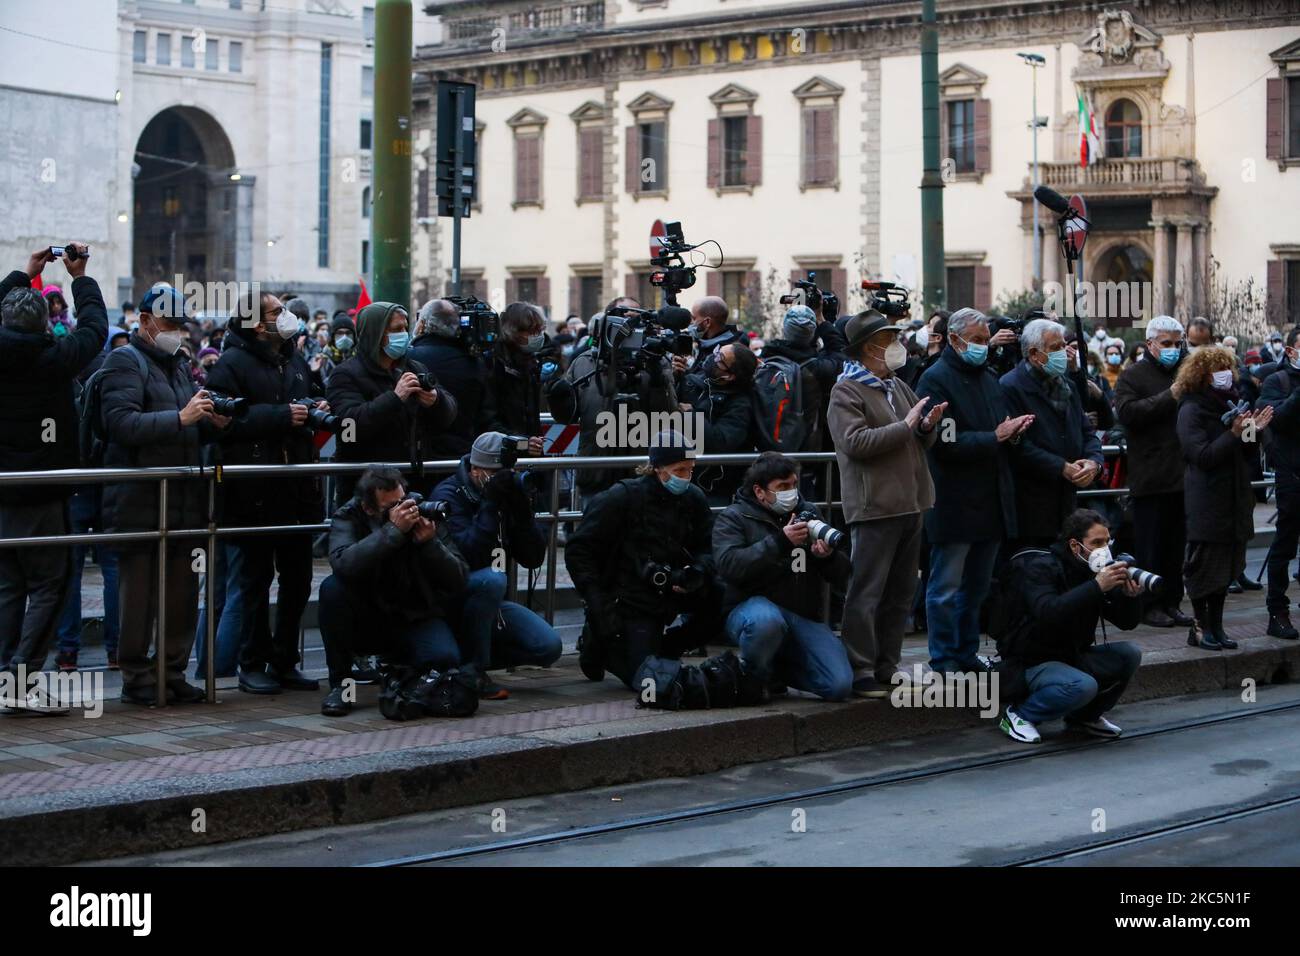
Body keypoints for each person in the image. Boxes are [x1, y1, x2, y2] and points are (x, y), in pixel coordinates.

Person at [102, 284, 231, 705]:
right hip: (139, 500)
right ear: (144, 321)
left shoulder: (178, 364)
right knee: (138, 594)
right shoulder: (125, 360)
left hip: (183, 499)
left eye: (181, 325)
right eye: (170, 324)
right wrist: (180, 417)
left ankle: (172, 670)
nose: (177, 332)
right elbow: (121, 424)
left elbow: (185, 419)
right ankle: (137, 676)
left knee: (181, 589)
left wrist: (209, 419)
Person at [0, 245, 107, 712]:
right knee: (49, 585)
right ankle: (20, 680)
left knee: (7, 586)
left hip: (4, 490)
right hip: (44, 491)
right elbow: (95, 329)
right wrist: (79, 276)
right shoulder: (56, 358)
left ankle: (6, 674)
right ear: (46, 323)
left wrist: (23, 275)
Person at [205, 289, 327, 695]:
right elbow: (219, 418)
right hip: (253, 493)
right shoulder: (231, 363)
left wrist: (311, 409)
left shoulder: (291, 359)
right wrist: (279, 416)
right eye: (278, 311)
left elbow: (304, 397)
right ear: (258, 323)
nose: (287, 316)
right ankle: (251, 662)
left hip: (297, 489)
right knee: (254, 581)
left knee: (298, 580)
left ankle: (285, 659)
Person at [828, 310, 944, 697]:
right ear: (868, 348)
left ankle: (887, 665)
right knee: (867, 591)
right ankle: (861, 668)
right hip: (876, 506)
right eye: (888, 340)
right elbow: (856, 443)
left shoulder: (894, 385)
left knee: (900, 593)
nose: (896, 346)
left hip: (911, 503)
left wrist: (926, 427)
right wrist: (908, 425)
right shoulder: (846, 391)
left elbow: (915, 439)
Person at [915, 307, 1033, 675]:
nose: (985, 346)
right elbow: (944, 442)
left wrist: (1011, 433)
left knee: (977, 588)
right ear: (954, 339)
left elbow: (996, 430)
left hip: (990, 498)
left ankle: (966, 653)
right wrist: (995, 437)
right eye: (978, 340)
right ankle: (944, 657)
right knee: (946, 588)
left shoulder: (989, 378)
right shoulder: (935, 379)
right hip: (954, 500)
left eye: (986, 339)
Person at [565, 432, 719, 689]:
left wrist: (697, 572)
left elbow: (709, 546)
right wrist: (598, 603)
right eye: (679, 470)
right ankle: (600, 642)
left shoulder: (693, 499)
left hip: (672, 588)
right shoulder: (622, 498)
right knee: (643, 676)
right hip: (630, 596)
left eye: (690, 470)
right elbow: (579, 550)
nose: (685, 477)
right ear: (658, 469)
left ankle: (666, 648)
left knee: (721, 599)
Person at [319, 466, 469, 716]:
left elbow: (459, 578)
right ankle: (342, 686)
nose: (402, 510)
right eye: (392, 506)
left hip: (413, 612)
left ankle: (399, 670)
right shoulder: (350, 516)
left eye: (402, 500)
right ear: (369, 508)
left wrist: (430, 544)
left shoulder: (420, 511)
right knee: (332, 590)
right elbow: (344, 564)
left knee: (445, 659)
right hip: (368, 615)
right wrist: (392, 532)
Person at [713, 452, 853, 701]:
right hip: (751, 609)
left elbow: (842, 574)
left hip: (801, 613)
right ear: (760, 491)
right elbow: (729, 565)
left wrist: (827, 557)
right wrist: (779, 542)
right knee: (767, 622)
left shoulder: (807, 512)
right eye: (782, 487)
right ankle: (753, 679)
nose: (791, 492)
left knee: (839, 684)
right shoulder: (734, 517)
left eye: (794, 485)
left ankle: (776, 671)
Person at [433, 432, 562, 699]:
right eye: (496, 474)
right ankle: (474, 669)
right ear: (476, 469)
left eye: (508, 472)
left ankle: (471, 657)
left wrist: (522, 511)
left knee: (549, 647)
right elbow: (468, 555)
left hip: (492, 601)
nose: (503, 480)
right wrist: (490, 504)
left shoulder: (508, 494)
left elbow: (533, 558)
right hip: (452, 596)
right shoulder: (448, 495)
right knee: (493, 578)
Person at [996, 509, 1143, 743]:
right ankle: (1020, 714)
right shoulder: (1040, 567)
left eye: (1107, 542)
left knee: (1129, 654)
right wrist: (1096, 587)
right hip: (1032, 662)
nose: (1103, 549)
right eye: (1096, 542)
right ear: (1075, 546)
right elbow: (1048, 612)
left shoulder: (1094, 572)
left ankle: (1085, 718)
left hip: (1072, 655)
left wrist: (1129, 597)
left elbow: (1127, 623)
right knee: (1082, 685)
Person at [1176, 345, 1272, 650]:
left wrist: (1252, 432)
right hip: (1207, 500)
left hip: (1234, 495)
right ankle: (1200, 628)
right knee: (1206, 569)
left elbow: (1243, 452)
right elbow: (1201, 456)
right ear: (1203, 375)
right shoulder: (1191, 409)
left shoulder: (1229, 403)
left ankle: (1217, 627)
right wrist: (1233, 433)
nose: (1227, 375)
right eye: (1219, 369)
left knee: (1228, 568)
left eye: (1228, 368)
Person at [326, 300, 458, 503]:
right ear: (376, 334)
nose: (404, 334)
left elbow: (449, 413)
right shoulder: (345, 374)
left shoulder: (414, 367)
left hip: (413, 484)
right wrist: (394, 398)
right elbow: (347, 428)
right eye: (396, 329)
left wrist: (436, 401)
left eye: (405, 328)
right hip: (368, 492)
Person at [550, 300, 680, 499]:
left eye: (636, 321)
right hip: (596, 471)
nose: (630, 328)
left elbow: (669, 415)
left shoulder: (657, 361)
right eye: (625, 320)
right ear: (606, 323)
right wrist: (555, 395)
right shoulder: (584, 362)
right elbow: (566, 418)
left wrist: (656, 377)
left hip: (642, 474)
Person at [1112, 316, 1195, 628]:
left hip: (1182, 475)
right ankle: (1149, 605)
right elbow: (1128, 413)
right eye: (1167, 344)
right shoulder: (1132, 375)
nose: (1174, 350)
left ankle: (1173, 601)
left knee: (1176, 548)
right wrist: (1169, 395)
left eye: (1178, 344)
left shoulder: (1186, 370)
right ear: (1150, 344)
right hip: (1150, 477)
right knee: (1151, 547)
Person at [1000, 318, 1104, 550]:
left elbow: (1087, 432)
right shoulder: (1010, 387)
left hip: (1069, 500)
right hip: (1031, 502)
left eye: (1063, 345)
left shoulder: (1067, 385)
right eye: (1055, 348)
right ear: (1035, 353)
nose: (1064, 353)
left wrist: (1094, 463)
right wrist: (1061, 467)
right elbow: (1017, 445)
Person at [410, 297, 490, 460]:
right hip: (464, 453)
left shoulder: (411, 358)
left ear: (423, 324)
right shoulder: (476, 362)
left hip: (423, 453)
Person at [678, 341, 757, 505]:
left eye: (719, 358)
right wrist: (674, 377)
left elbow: (719, 442)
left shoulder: (741, 405)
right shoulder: (701, 380)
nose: (713, 358)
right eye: (716, 351)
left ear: (729, 376)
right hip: (684, 476)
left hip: (712, 488)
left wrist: (691, 416)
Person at [1259, 345, 1300, 639]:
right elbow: (1277, 418)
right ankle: (1277, 610)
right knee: (1285, 543)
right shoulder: (1278, 381)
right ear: (1291, 350)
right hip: (1292, 475)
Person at [483, 302, 547, 456]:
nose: (538, 336)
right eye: (532, 331)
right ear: (513, 332)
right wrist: (522, 443)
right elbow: (487, 419)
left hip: (528, 452)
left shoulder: (529, 363)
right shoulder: (494, 364)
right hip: (502, 455)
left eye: (539, 330)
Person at [685, 295, 745, 378]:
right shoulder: (705, 343)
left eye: (694, 318)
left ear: (707, 322)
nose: (691, 323)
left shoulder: (728, 353)